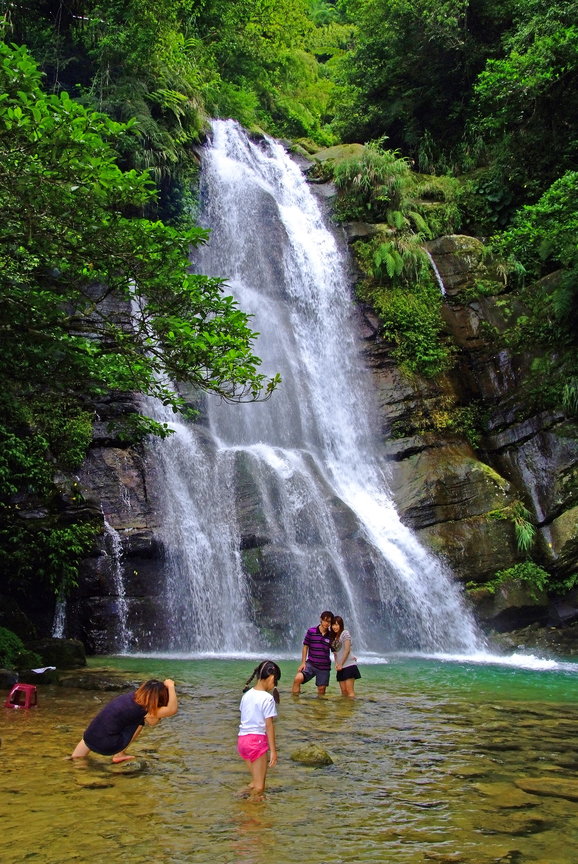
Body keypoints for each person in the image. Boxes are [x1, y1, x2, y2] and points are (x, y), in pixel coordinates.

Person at [71, 678, 178, 762]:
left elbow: (152, 721)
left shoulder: (131, 696)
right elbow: (172, 710)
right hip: (108, 746)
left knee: (101, 724)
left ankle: (76, 756)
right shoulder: (144, 710)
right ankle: (119, 754)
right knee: (139, 722)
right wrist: (171, 687)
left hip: (89, 737)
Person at [238, 660, 280, 800]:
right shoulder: (267, 699)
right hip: (256, 742)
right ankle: (249, 813)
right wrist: (273, 751)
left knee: (255, 781)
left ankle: (238, 797)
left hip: (242, 741)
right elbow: (269, 726)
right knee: (260, 787)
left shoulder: (246, 695)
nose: (274, 686)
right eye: (276, 682)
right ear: (271, 678)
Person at [292, 610, 334, 696]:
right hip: (311, 664)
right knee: (297, 679)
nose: (327, 623)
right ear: (321, 620)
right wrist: (303, 663)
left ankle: (319, 707)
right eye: (325, 621)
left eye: (329, 622)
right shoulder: (311, 631)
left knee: (321, 690)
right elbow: (305, 646)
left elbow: (336, 650)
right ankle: (295, 702)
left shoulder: (331, 635)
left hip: (324, 666)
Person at [331, 616, 361, 698]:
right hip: (340, 667)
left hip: (349, 665)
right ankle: (344, 709)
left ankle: (351, 709)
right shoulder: (334, 638)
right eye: (333, 625)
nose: (335, 627)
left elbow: (347, 650)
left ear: (341, 625)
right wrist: (336, 664)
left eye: (337, 625)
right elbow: (335, 654)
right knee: (343, 692)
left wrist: (340, 664)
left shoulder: (345, 633)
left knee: (349, 691)